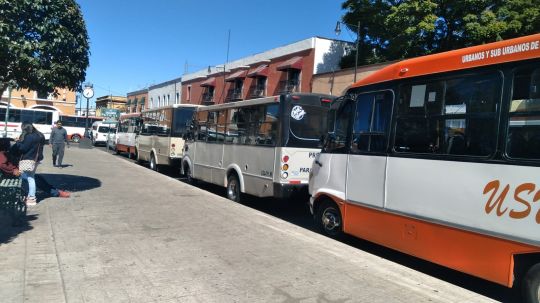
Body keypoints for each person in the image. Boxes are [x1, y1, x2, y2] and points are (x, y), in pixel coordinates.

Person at [0, 138, 70, 202]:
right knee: (35, 179)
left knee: (38, 178)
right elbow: (2, 164)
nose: (9, 144)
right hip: (12, 174)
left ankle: (55, 191)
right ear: (4, 145)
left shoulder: (4, 153)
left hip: (13, 172)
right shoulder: (1, 154)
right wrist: (13, 170)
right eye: (8, 143)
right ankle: (56, 193)